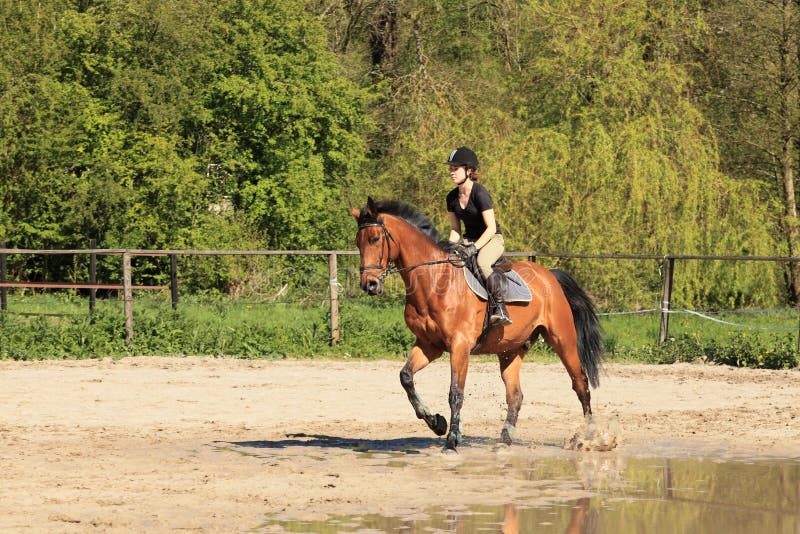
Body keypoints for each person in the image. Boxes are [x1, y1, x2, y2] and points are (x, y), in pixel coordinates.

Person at [445, 146, 511, 325]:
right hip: (469, 240)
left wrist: (473, 248)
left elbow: (490, 228)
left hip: (492, 239)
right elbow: (455, 230)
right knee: (448, 261)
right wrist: (446, 247)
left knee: (482, 262)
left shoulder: (480, 193)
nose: (451, 173)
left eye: (455, 169)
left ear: (469, 170)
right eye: (450, 169)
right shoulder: (451, 198)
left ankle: (501, 308)